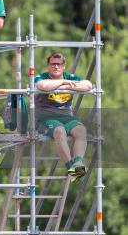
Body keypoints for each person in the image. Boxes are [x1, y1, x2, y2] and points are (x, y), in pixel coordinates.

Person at [35, 52, 92, 182]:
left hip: (66, 116)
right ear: (48, 66)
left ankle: (78, 164)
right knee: (59, 131)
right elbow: (42, 86)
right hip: (45, 118)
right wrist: (65, 82)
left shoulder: (70, 77)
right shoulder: (42, 77)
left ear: (63, 66)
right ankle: (71, 169)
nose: (56, 67)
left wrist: (63, 85)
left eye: (59, 64)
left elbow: (88, 85)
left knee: (81, 130)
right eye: (53, 64)